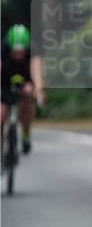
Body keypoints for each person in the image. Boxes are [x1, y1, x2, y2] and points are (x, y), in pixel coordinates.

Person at [1, 24, 44, 154]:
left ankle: (25, 134)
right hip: (5, 80)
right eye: (15, 51)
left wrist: (38, 90)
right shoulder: (2, 48)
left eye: (21, 51)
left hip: (25, 79)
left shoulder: (33, 49)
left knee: (28, 99)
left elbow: (37, 73)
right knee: (1, 113)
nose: (18, 54)